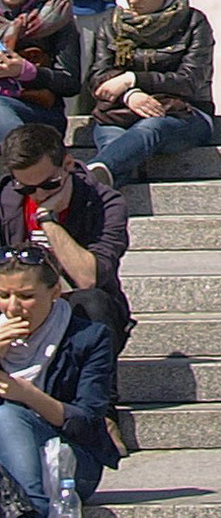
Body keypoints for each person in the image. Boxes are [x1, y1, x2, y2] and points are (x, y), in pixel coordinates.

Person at [0, 244, 116, 518]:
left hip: (66, 458)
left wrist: (26, 394)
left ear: (54, 293)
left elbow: (88, 420)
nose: (13, 308)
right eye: (3, 295)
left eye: (25, 297)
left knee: (5, 412)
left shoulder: (88, 338)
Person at [81, 0, 215, 183]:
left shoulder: (194, 23)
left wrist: (132, 80)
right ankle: (95, 185)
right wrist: (130, 96)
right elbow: (98, 77)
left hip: (183, 113)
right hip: (120, 111)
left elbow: (190, 79)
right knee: (113, 148)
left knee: (151, 127)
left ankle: (83, 182)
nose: (132, 1)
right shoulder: (110, 23)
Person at [3, 119, 134, 349]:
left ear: (68, 164)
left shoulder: (105, 204)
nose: (38, 195)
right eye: (26, 188)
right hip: (17, 304)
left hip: (78, 308)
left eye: (49, 184)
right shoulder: (5, 199)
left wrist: (48, 221)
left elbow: (87, 279)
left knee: (93, 304)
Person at [0, 0, 77, 125]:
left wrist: (26, 72)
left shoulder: (57, 12)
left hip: (41, 111)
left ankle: (22, 153)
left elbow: (70, 82)